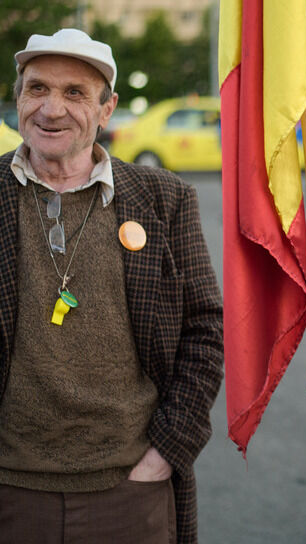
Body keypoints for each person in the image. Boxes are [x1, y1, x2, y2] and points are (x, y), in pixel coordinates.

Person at [0, 29, 223, 544]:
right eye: (37, 89)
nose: (51, 109)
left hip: (128, 494)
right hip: (10, 492)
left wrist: (167, 452)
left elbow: (204, 330)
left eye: (75, 92)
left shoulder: (164, 198)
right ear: (19, 98)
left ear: (107, 109)